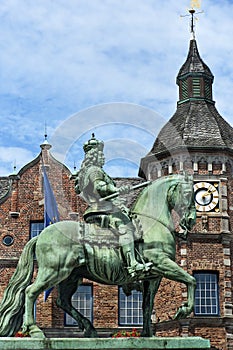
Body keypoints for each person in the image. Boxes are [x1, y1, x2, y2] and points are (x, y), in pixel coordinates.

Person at [75, 134, 152, 278]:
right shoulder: (94, 171)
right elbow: (99, 186)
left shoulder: (89, 171)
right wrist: (116, 190)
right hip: (101, 210)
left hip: (99, 209)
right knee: (125, 228)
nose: (103, 157)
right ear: (95, 155)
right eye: (101, 154)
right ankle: (132, 264)